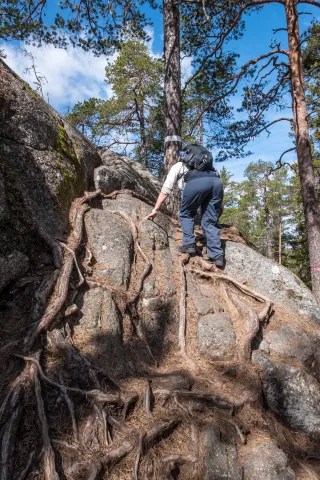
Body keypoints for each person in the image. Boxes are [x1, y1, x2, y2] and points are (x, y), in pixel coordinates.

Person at [144, 143, 224, 267]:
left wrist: (155, 209)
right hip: (216, 183)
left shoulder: (179, 166)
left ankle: (188, 244)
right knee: (209, 221)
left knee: (186, 213)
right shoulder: (210, 168)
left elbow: (166, 189)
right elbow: (216, 186)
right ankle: (217, 256)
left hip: (197, 184)